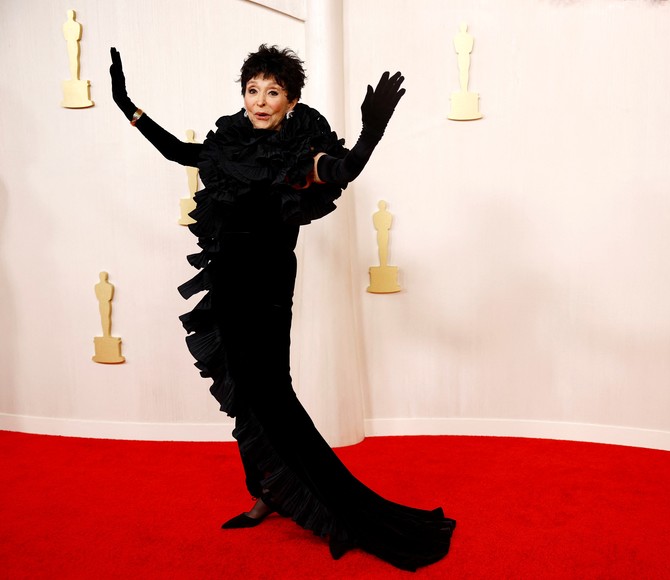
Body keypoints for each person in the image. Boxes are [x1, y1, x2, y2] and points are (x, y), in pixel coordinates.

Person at [109, 44, 455, 571]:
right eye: (253, 90)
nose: (260, 101)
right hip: (226, 282)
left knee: (273, 396)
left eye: (273, 92)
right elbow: (180, 152)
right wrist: (127, 106)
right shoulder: (230, 143)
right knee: (244, 397)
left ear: (291, 99)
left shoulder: (297, 150)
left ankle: (333, 504)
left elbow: (341, 170)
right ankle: (266, 490)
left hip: (267, 289)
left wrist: (371, 132)